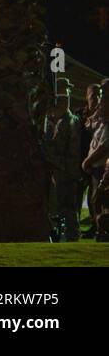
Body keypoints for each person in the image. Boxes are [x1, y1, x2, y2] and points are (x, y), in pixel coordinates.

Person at [44, 94, 82, 241]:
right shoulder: (56, 121)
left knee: (67, 205)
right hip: (58, 168)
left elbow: (73, 149)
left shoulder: (70, 122)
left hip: (65, 170)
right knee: (59, 205)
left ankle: (72, 234)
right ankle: (63, 233)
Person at [81, 80, 109, 239]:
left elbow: (104, 146)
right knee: (96, 200)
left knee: (101, 200)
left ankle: (103, 232)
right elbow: (88, 126)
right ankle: (100, 230)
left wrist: (87, 161)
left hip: (101, 168)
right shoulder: (101, 117)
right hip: (96, 168)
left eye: (104, 95)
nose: (100, 101)